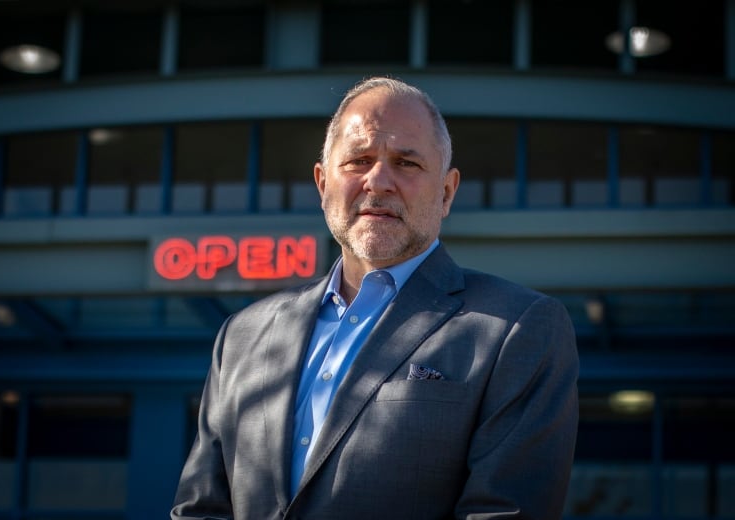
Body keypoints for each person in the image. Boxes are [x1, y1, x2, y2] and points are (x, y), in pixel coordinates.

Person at [171, 76, 579, 520]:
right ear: (322, 183)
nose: (378, 181)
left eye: (406, 163)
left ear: (446, 192)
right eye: (358, 160)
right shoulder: (242, 336)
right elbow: (200, 509)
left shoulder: (519, 329)